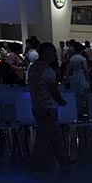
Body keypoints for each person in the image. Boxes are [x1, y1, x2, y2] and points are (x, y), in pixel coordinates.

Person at [29, 42, 69, 172]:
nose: (55, 55)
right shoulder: (48, 71)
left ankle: (62, 160)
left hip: (36, 106)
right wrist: (62, 101)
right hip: (48, 107)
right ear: (46, 53)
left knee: (48, 135)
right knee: (48, 137)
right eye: (53, 52)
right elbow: (54, 91)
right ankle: (41, 163)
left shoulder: (33, 68)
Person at [67, 42, 90, 115]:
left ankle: (76, 110)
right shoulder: (82, 59)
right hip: (81, 75)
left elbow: (70, 70)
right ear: (81, 50)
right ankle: (82, 111)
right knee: (83, 94)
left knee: (76, 94)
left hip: (74, 75)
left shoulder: (72, 58)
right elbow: (86, 69)